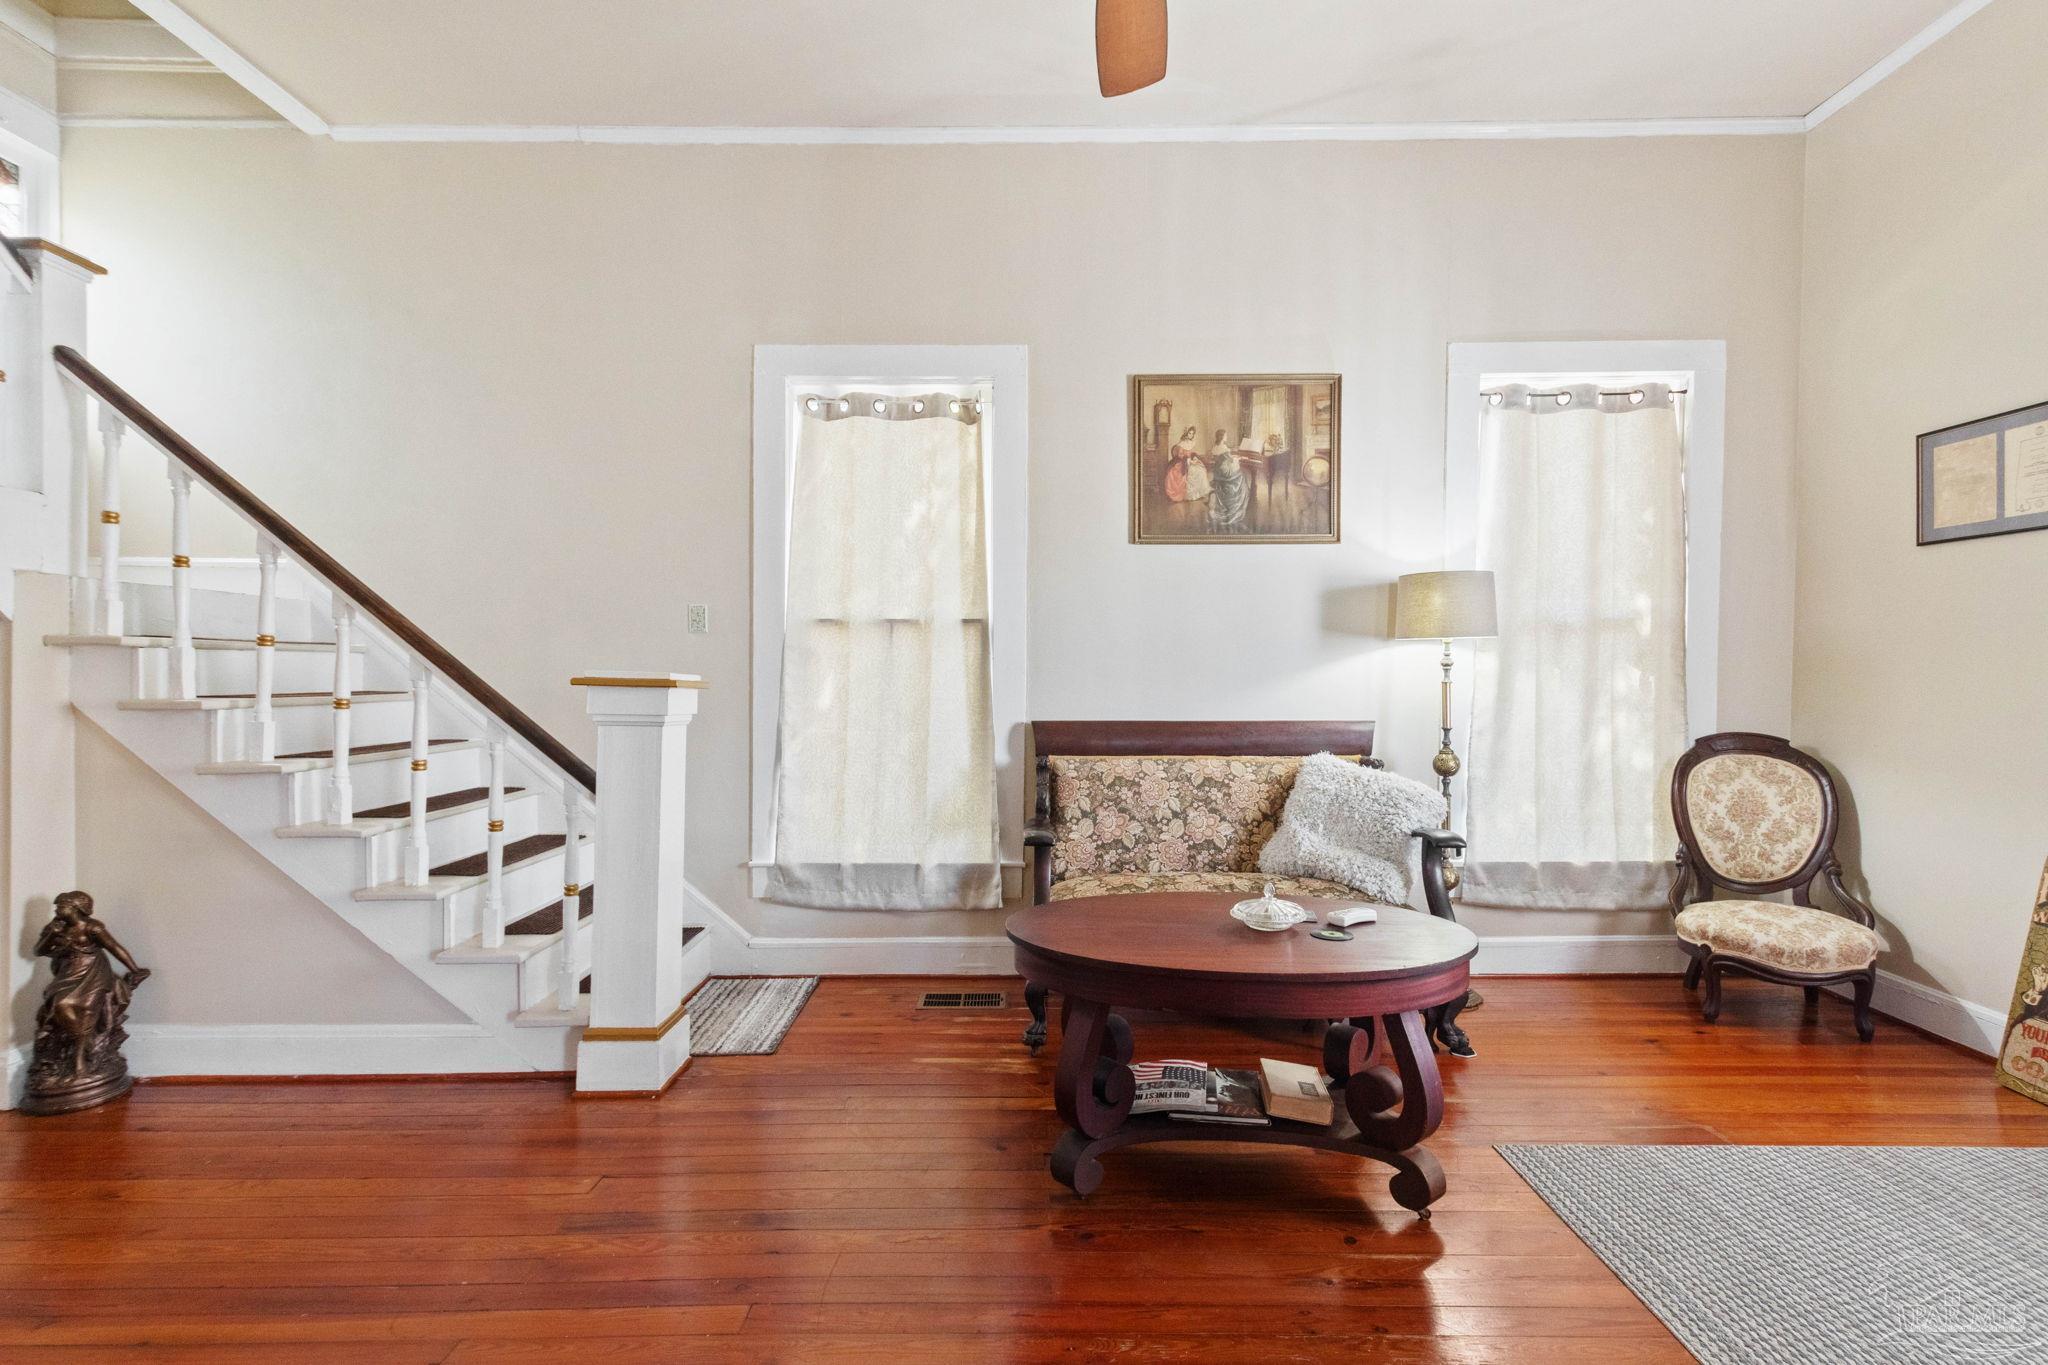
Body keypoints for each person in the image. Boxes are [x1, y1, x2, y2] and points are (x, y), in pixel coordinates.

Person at [1208, 437, 1250, 530]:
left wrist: (1233, 457)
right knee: (1242, 476)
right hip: (1225, 472)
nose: (1226, 437)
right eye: (1226, 435)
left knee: (1239, 472)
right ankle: (1237, 504)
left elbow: (1224, 459)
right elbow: (1230, 460)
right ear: (1222, 436)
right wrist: (1238, 459)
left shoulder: (1215, 447)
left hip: (1218, 472)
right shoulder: (1224, 448)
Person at [1163, 426, 1198, 502]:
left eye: (1192, 434)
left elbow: (1191, 452)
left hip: (1189, 461)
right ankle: (1176, 494)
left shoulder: (1192, 443)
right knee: (1175, 473)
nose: (1191, 435)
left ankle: (1194, 494)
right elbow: (1180, 455)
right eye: (1189, 433)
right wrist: (1188, 460)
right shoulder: (1181, 443)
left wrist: (1194, 457)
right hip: (1182, 461)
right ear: (1186, 433)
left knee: (1199, 469)